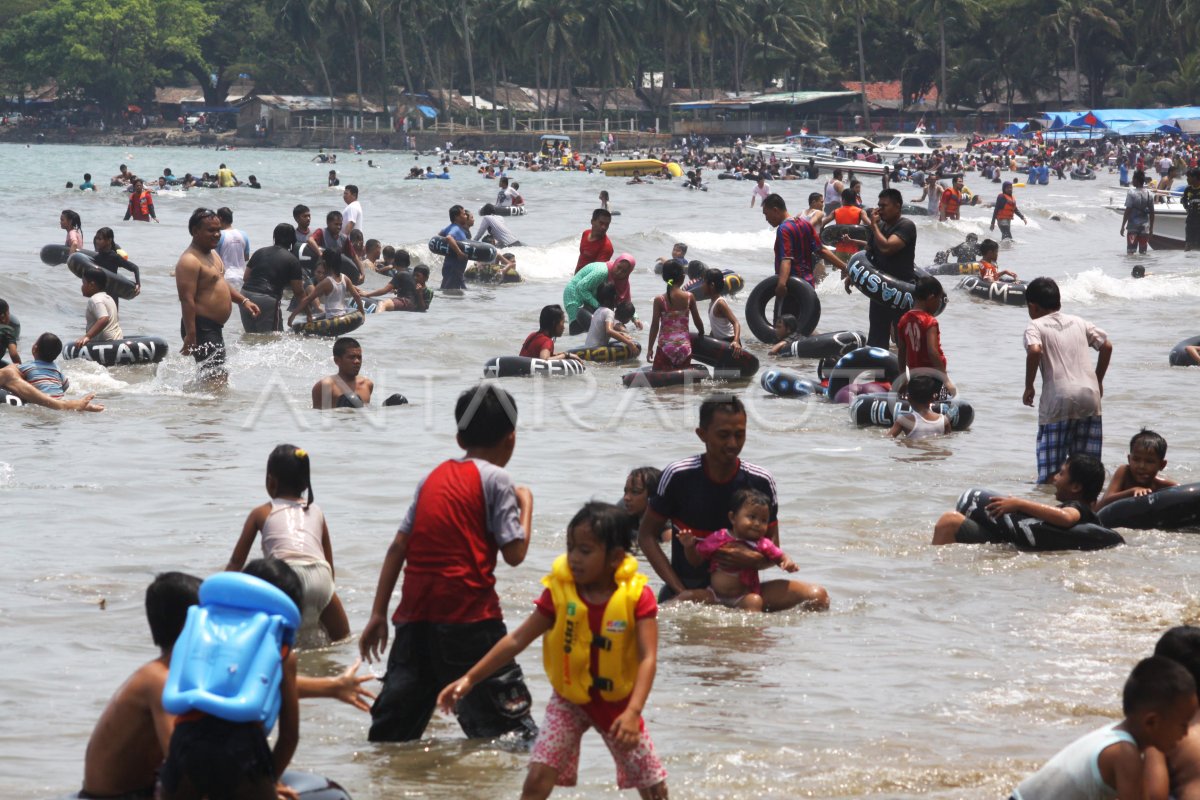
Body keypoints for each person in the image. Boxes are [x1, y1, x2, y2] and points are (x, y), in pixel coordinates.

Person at [436, 503, 668, 800]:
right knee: (537, 777)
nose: (573, 559)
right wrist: (469, 679)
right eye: (570, 548)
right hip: (569, 700)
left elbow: (648, 657)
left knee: (653, 788)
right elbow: (517, 639)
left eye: (585, 551)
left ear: (615, 557)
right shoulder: (560, 592)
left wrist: (634, 712)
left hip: (618, 705)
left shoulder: (637, 597)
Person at [359, 384, 539, 743]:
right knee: (513, 737)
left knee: (392, 738)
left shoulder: (431, 477)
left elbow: (398, 547)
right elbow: (515, 555)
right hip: (470, 622)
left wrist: (378, 614)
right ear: (512, 438)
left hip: (414, 621)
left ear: (459, 439)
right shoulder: (497, 479)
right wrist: (526, 503)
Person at [637, 394, 829, 609]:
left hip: (744, 592)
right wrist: (681, 591)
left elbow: (773, 548)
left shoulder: (761, 481)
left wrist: (751, 560)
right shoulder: (678, 476)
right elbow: (646, 537)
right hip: (690, 587)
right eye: (723, 435)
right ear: (702, 435)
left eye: (740, 435)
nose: (733, 443)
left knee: (817, 597)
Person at [158, 559, 301, 800]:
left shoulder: (201, 631)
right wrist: (271, 779)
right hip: (243, 747)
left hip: (186, 739)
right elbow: (289, 736)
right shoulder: (280, 649)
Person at [1008, 656, 1196, 800]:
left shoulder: (1116, 736)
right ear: (1151, 723)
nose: (1187, 733)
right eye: (1183, 724)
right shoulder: (1124, 753)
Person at [227, 445, 351, 644]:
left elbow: (236, 563)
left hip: (283, 578)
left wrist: (220, 598)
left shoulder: (261, 513)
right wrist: (324, 596)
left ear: (271, 482)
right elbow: (329, 565)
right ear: (304, 483)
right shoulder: (317, 511)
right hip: (321, 578)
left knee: (275, 644)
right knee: (342, 639)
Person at [1023, 276, 1112, 484]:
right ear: (1059, 303)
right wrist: (1098, 380)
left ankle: (1050, 508)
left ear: (1032, 307)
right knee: (1085, 472)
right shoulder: (1079, 322)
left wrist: (1029, 386)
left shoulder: (1035, 326)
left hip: (1058, 401)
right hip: (1090, 397)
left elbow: (1034, 350)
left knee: (1050, 475)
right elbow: (1106, 346)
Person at [672, 488, 806, 612]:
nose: (757, 524)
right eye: (752, 517)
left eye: (763, 520)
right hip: (714, 594)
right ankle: (659, 612)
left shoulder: (762, 544)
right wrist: (689, 546)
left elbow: (779, 555)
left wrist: (788, 563)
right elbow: (696, 560)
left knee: (755, 601)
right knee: (686, 596)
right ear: (732, 518)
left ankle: (751, 634)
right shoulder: (719, 537)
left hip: (742, 597)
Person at [931, 453, 1106, 545]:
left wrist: (1020, 503)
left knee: (949, 521)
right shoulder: (1085, 512)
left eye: (1061, 474)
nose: (1055, 479)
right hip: (1021, 543)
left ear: (1076, 487)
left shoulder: (1077, 508)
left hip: (1024, 544)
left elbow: (1067, 518)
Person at [176, 207, 260, 384]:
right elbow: (186, 300)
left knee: (216, 377)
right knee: (216, 379)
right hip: (201, 327)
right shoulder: (189, 261)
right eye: (211, 230)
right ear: (195, 231)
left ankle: (202, 407)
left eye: (218, 230)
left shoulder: (212, 253)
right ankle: (206, 409)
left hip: (213, 327)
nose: (216, 235)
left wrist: (243, 300)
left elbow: (220, 284)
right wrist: (191, 334)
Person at [846, 188, 918, 349]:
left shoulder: (906, 226)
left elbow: (887, 248)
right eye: (878, 205)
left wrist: (874, 226)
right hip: (880, 291)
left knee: (903, 343)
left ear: (898, 206)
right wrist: (852, 275)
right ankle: (880, 373)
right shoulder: (878, 226)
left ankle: (905, 372)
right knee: (877, 340)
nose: (879, 209)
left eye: (884, 206)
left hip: (902, 292)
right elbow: (869, 253)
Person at [762, 194, 846, 330]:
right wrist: (845, 267)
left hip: (791, 288)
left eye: (766, 214)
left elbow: (786, 259)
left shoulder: (784, 229)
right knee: (802, 329)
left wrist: (781, 284)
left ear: (775, 210)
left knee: (782, 331)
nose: (766, 219)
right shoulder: (804, 224)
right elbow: (821, 250)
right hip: (808, 287)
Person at [240, 223, 305, 333]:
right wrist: (308, 313)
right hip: (267, 299)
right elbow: (298, 292)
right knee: (273, 338)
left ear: (275, 237)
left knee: (251, 335)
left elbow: (246, 277)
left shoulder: (259, 252)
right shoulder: (292, 260)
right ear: (292, 239)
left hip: (245, 296)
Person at [897, 275, 954, 396]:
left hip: (915, 377)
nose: (938, 305)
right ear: (931, 298)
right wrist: (946, 380)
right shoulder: (929, 321)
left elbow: (901, 352)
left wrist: (903, 378)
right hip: (933, 378)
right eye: (939, 300)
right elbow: (932, 352)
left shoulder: (904, 319)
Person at [1096, 429, 1177, 510]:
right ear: (1129, 459)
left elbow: (1182, 492)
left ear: (1162, 465)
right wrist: (1131, 492)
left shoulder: (1162, 485)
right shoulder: (1124, 472)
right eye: (1136, 459)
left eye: (1149, 461)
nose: (1141, 466)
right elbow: (1104, 503)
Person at [646, 260, 703, 371]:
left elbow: (654, 326)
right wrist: (701, 333)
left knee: (660, 382)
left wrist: (649, 349)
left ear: (664, 278)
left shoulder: (659, 300)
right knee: (681, 381)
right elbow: (698, 321)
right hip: (684, 347)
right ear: (682, 277)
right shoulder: (689, 297)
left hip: (666, 347)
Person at [564, 254, 639, 335]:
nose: (619, 272)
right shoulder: (602, 272)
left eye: (624, 271)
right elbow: (581, 288)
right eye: (619, 267)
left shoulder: (623, 282)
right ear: (616, 263)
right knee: (577, 328)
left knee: (594, 326)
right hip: (574, 293)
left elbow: (626, 303)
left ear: (628, 273)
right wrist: (599, 306)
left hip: (592, 295)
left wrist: (635, 318)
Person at [289, 251, 365, 326]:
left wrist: (292, 315)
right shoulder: (345, 278)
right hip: (343, 316)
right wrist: (362, 313)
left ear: (326, 264)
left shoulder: (327, 282)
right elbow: (357, 296)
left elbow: (308, 299)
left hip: (331, 319)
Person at [888, 374, 951, 439]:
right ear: (933, 398)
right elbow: (948, 440)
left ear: (908, 398)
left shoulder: (904, 420)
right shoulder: (944, 420)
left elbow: (888, 438)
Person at [76, 267, 123, 348]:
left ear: (92, 285)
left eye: (83, 283)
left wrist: (87, 336)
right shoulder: (109, 298)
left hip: (106, 344)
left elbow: (104, 318)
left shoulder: (95, 300)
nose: (82, 286)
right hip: (117, 341)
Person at [92, 227, 142, 301]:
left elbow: (135, 268)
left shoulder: (114, 257)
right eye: (96, 239)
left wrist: (138, 284)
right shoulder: (96, 257)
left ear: (109, 240)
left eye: (100, 239)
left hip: (112, 295)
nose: (97, 241)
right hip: (99, 293)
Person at [584, 283, 638, 350]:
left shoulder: (598, 310)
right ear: (613, 297)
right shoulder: (609, 312)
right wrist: (628, 342)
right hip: (596, 348)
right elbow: (609, 331)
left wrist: (622, 335)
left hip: (588, 346)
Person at [18, 332, 69, 398]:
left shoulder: (27, 366)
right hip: (59, 400)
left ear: (34, 349)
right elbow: (66, 385)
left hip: (40, 402)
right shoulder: (57, 369)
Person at [704, 267, 742, 350]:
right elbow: (716, 326)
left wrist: (736, 341)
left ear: (712, 285)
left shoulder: (720, 303)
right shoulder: (712, 303)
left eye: (704, 282)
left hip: (730, 342)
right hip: (721, 341)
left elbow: (736, 323)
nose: (702, 286)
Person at [438, 204, 473, 291]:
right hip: (454, 268)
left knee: (446, 292)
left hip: (449, 266)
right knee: (452, 293)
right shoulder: (456, 229)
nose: (466, 216)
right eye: (464, 214)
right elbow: (449, 238)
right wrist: (459, 253)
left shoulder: (450, 227)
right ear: (457, 217)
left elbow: (439, 235)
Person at [215, 207, 250, 291]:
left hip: (225, 277)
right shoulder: (243, 234)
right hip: (241, 277)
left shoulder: (219, 235)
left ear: (220, 218)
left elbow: (214, 260)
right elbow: (246, 258)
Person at [1121, 170, 1155, 254]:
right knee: (1143, 252)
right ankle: (1143, 265)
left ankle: (1132, 266)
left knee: (1130, 252)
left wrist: (1123, 226)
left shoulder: (1131, 192)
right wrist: (1151, 229)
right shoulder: (1149, 193)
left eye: (1133, 179)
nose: (1132, 181)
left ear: (1136, 180)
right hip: (1145, 227)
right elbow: (1152, 213)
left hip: (1133, 227)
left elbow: (1128, 210)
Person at [829, 189, 870, 257]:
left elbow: (823, 223)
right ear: (855, 199)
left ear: (843, 199)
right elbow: (871, 225)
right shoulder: (860, 212)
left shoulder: (836, 211)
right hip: (854, 249)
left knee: (839, 267)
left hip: (839, 248)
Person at [575, 209, 614, 273]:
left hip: (590, 280)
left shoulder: (606, 247)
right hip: (577, 277)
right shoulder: (585, 233)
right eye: (601, 223)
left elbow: (596, 273)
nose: (604, 227)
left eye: (607, 224)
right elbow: (582, 257)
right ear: (592, 221)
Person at [1182, 167, 1200, 251]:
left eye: (1189, 177)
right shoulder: (1187, 189)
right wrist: (1186, 207)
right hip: (1190, 221)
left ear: (1195, 177)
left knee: (1198, 247)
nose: (1187, 179)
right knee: (1188, 245)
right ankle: (1187, 262)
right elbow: (1184, 199)